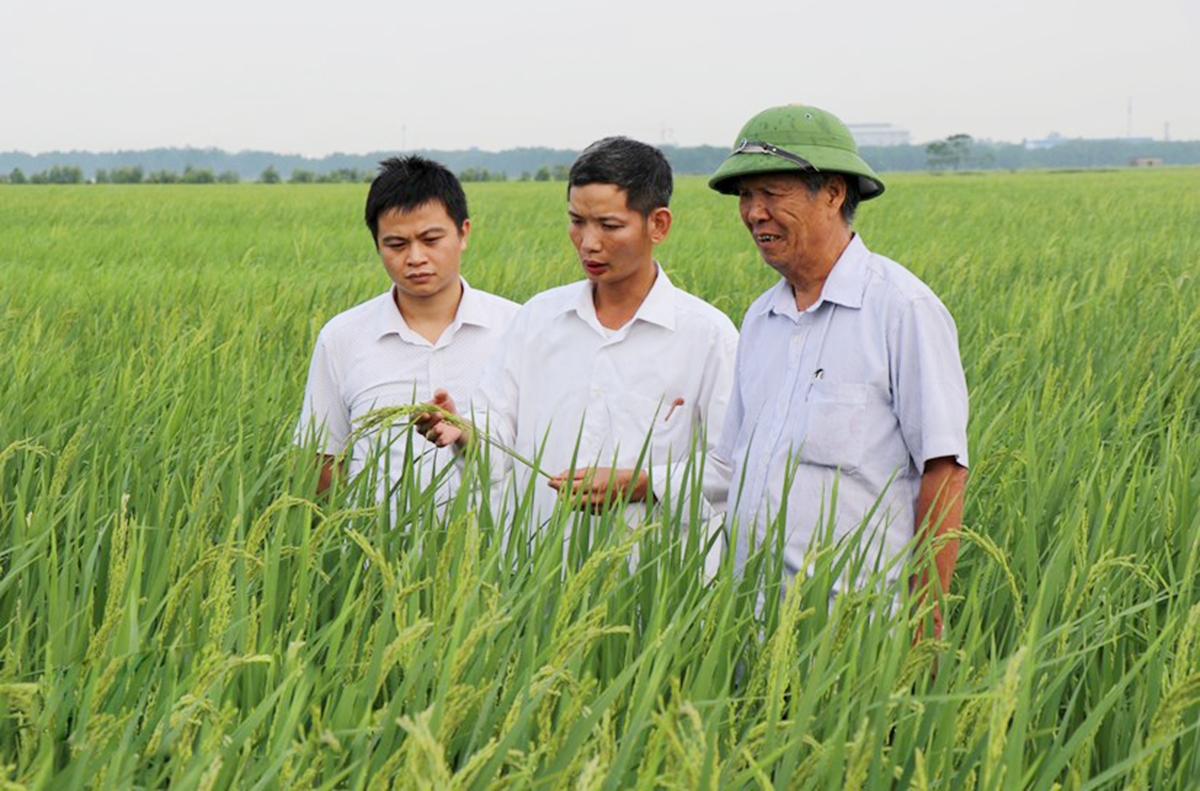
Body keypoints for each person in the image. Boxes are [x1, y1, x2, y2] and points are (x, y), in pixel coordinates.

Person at [708, 105, 969, 636]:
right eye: (745, 197)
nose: (755, 212)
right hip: (751, 631)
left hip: (859, 634)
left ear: (832, 193)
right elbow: (733, 465)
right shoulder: (761, 319)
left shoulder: (902, 309)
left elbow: (944, 471)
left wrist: (926, 619)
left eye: (772, 193)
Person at [417, 137, 738, 553]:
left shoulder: (708, 336)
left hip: (656, 581)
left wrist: (642, 484)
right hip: (538, 575)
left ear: (657, 224)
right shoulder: (538, 320)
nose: (588, 242)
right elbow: (497, 434)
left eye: (609, 226)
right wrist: (463, 434)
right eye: (577, 221)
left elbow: (732, 469)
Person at [295, 155, 519, 506]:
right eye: (396, 245)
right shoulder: (342, 337)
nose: (415, 257)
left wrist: (466, 435)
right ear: (377, 245)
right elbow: (322, 460)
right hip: (376, 554)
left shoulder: (516, 327)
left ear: (463, 233)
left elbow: (543, 451)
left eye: (431, 240)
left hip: (499, 554)